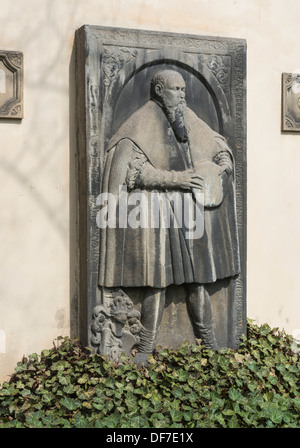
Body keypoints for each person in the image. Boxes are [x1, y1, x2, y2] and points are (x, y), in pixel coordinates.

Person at [98, 69, 240, 364]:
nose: (181, 95)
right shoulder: (138, 124)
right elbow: (134, 173)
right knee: (157, 283)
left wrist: (222, 167)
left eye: (184, 90)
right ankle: (146, 347)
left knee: (199, 281)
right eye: (175, 89)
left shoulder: (187, 116)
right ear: (159, 90)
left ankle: (211, 343)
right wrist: (182, 180)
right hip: (158, 216)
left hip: (192, 216)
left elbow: (218, 145)